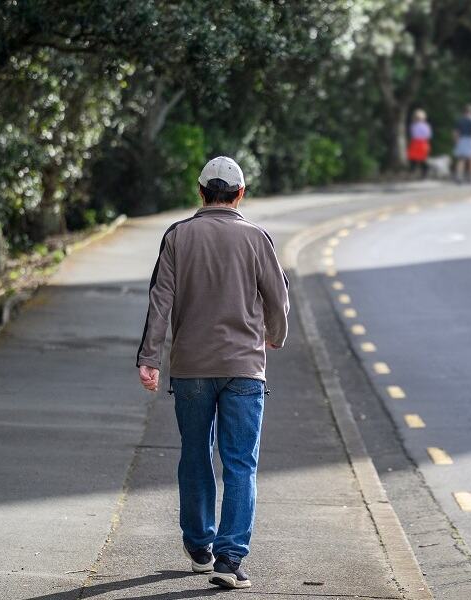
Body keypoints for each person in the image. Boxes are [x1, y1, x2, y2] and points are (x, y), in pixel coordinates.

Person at [136, 156, 289, 590]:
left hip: (191, 367)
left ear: (201, 192)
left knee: (195, 453)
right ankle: (229, 558)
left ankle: (199, 544)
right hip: (245, 367)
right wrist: (275, 335)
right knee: (241, 463)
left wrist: (149, 358)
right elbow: (277, 300)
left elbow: (159, 301)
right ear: (240, 194)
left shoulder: (178, 236)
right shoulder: (258, 238)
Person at [407, 109, 432, 178]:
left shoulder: (425, 126)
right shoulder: (413, 125)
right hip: (415, 142)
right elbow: (412, 134)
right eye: (417, 117)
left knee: (422, 159)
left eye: (419, 117)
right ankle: (412, 173)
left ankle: (424, 173)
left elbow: (428, 135)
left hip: (422, 143)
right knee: (413, 158)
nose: (418, 118)